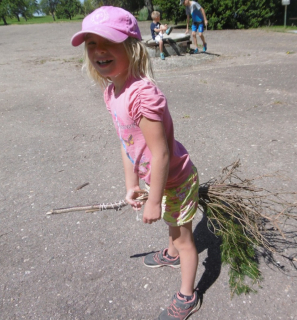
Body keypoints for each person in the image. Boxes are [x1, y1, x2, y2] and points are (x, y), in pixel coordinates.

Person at [71, 6, 200, 320]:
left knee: (183, 238)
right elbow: (126, 144)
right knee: (174, 229)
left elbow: (162, 154)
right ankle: (171, 254)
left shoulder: (142, 95)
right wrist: (131, 184)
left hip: (175, 179)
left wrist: (154, 200)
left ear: (131, 46)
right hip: (157, 176)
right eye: (91, 43)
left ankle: (187, 295)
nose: (98, 51)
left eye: (108, 42)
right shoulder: (113, 91)